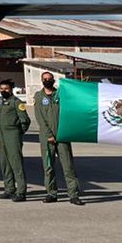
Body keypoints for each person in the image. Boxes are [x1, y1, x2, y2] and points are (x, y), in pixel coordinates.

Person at [33, 72, 83, 205]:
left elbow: (68, 113)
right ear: (41, 81)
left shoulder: (61, 95)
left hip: (63, 135)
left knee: (68, 166)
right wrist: (49, 134)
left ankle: (73, 194)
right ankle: (51, 193)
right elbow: (40, 118)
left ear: (53, 80)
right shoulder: (39, 96)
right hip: (46, 137)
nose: (47, 81)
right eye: (45, 79)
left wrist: (63, 132)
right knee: (48, 167)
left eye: (49, 79)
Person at [0, 78, 30, 202]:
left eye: (6, 89)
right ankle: (9, 189)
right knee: (5, 163)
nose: (4, 91)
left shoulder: (16, 102)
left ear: (11, 89)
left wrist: (19, 132)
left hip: (13, 134)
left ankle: (21, 191)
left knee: (16, 162)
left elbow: (25, 120)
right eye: (2, 89)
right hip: (2, 134)